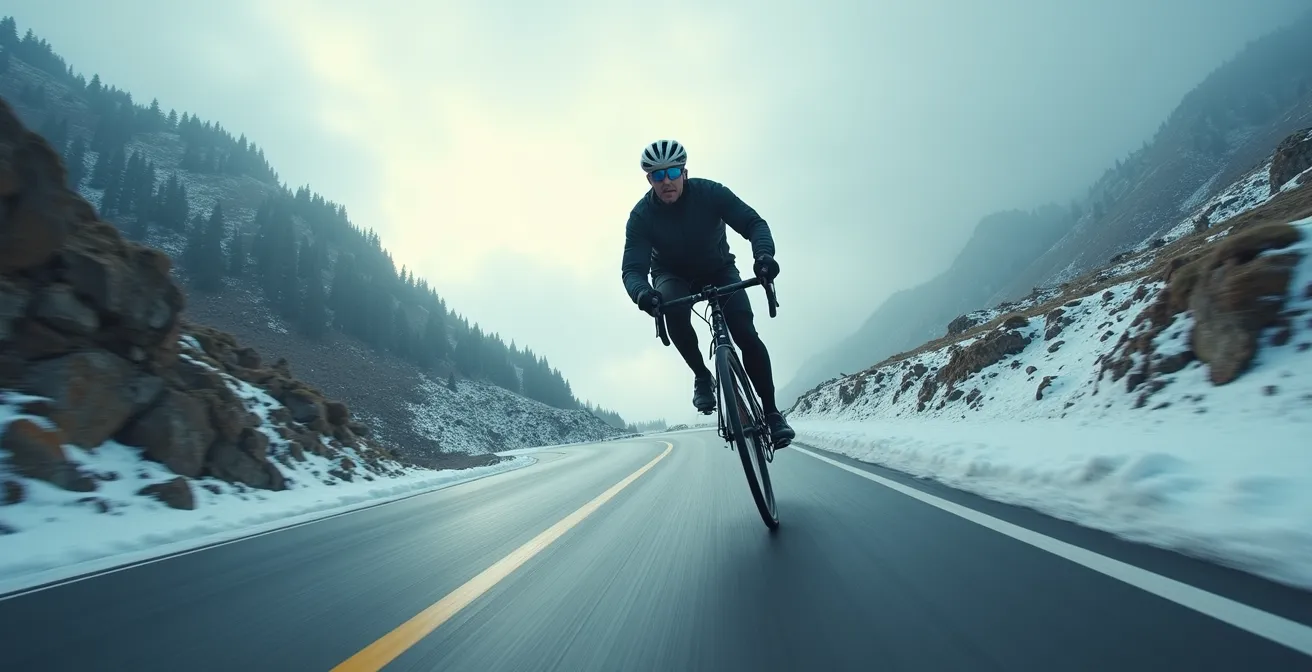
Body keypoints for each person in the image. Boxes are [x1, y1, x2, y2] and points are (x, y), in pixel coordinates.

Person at [620, 138, 796, 447]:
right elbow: (632, 270)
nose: (666, 181)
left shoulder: (711, 193)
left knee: (745, 333)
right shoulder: (641, 217)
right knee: (672, 306)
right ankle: (702, 375)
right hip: (672, 276)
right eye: (657, 175)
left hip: (718, 269)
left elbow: (754, 223)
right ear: (649, 179)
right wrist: (643, 294)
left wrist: (764, 257)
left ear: (684, 172)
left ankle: (772, 414)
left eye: (672, 171)